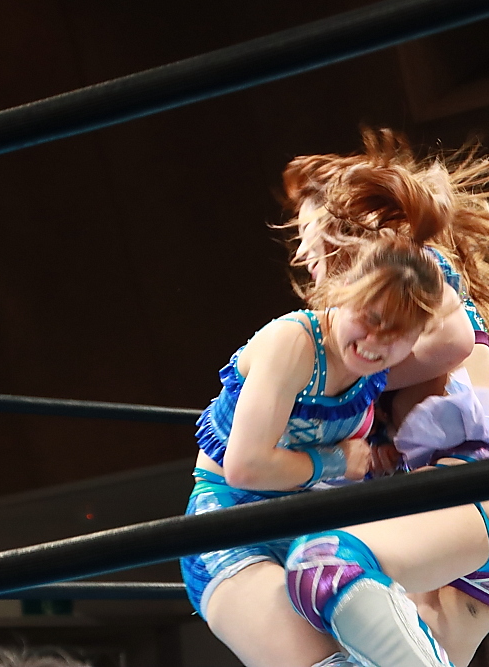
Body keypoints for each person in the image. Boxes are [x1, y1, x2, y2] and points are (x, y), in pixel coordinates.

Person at [281, 130, 489, 667]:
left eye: (307, 232)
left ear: (352, 224)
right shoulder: (374, 319)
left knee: (323, 564)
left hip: (473, 494)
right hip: (447, 530)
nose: (302, 252)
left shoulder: (411, 268)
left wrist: (332, 386)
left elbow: (452, 340)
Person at [179, 228, 452, 667]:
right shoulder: (292, 343)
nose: (375, 341)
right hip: (229, 523)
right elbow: (244, 467)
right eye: (369, 318)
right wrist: (337, 460)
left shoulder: (380, 363)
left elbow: (457, 341)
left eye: (398, 332)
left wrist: (434, 265)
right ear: (344, 292)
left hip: (312, 526)